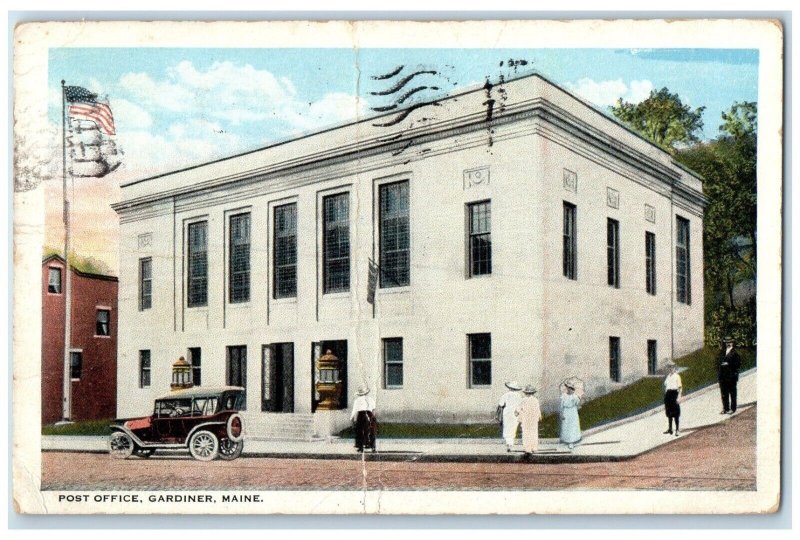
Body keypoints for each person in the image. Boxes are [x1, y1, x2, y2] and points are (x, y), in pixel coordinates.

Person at [515, 385, 542, 455]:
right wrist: (539, 416)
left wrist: (517, 412)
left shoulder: (524, 399)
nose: (528, 394)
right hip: (530, 418)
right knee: (532, 432)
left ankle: (529, 448)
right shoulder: (534, 400)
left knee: (527, 433)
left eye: (529, 393)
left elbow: (518, 408)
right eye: (528, 393)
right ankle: (532, 448)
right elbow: (538, 409)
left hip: (528, 418)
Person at [496, 381, 523, 452]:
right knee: (513, 427)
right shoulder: (519, 396)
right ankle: (510, 444)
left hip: (507, 413)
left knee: (507, 427)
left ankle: (508, 443)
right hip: (515, 413)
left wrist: (498, 414)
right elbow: (521, 405)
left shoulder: (505, 395)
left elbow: (500, 405)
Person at [717, 336, 742, 414]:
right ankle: (725, 408)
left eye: (730, 342)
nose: (728, 343)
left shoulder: (735, 353)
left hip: (731, 376)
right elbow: (717, 363)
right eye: (727, 342)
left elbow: (738, 364)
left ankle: (733, 408)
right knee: (724, 394)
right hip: (723, 377)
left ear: (732, 343)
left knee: (732, 393)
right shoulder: (722, 352)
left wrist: (728, 364)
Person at [350, 386, 377, 452]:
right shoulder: (370, 399)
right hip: (369, 414)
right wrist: (373, 417)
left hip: (361, 415)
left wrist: (351, 418)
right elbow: (373, 409)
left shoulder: (357, 400)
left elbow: (354, 410)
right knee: (371, 430)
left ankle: (360, 447)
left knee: (360, 430)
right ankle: (372, 446)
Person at [559, 382, 582, 450]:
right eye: (567, 388)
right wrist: (562, 413)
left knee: (573, 425)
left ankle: (572, 441)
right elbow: (561, 405)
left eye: (570, 388)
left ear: (572, 389)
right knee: (566, 425)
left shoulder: (575, 396)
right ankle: (566, 439)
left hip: (573, 412)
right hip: (566, 411)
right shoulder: (563, 396)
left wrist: (576, 398)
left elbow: (577, 404)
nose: (568, 390)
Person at [663, 363, 683, 436]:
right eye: (670, 368)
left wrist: (679, 397)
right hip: (668, 395)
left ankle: (677, 429)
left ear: (675, 368)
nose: (671, 369)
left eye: (672, 368)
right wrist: (665, 395)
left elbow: (680, 387)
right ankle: (670, 429)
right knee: (669, 412)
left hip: (674, 394)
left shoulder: (677, 376)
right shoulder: (668, 376)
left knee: (676, 413)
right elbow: (666, 386)